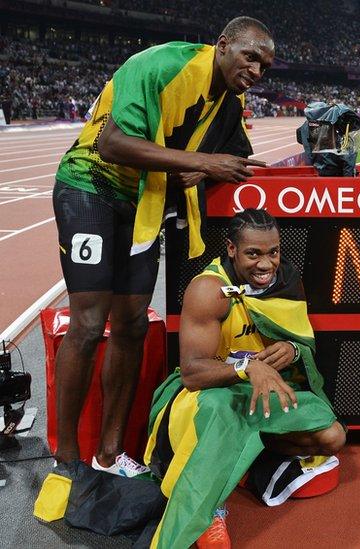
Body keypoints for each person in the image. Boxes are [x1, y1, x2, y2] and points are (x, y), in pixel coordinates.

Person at [51, 16, 274, 474]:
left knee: (132, 324)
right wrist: (201, 161)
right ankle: (67, 458)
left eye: (265, 66)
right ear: (223, 43)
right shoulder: (160, 64)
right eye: (250, 57)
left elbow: (235, 157)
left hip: (143, 202)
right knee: (90, 324)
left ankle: (110, 456)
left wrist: (204, 168)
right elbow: (114, 143)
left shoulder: (229, 100)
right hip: (90, 185)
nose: (255, 70)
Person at [144, 209, 345, 548]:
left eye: (273, 252)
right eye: (253, 253)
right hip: (207, 395)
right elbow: (193, 374)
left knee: (332, 436)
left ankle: (246, 463)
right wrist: (245, 368)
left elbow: (301, 342)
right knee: (222, 411)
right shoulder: (209, 290)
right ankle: (210, 510)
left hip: (259, 391)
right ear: (232, 249)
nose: (266, 264)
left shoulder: (287, 281)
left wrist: (292, 350)